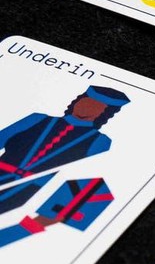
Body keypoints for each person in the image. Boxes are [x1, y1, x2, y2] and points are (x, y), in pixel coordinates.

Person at [0, 86, 129, 215]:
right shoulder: (37, 119)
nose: (86, 107)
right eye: (85, 101)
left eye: (95, 106)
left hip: (32, 193)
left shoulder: (100, 141)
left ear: (104, 113)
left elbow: (81, 177)